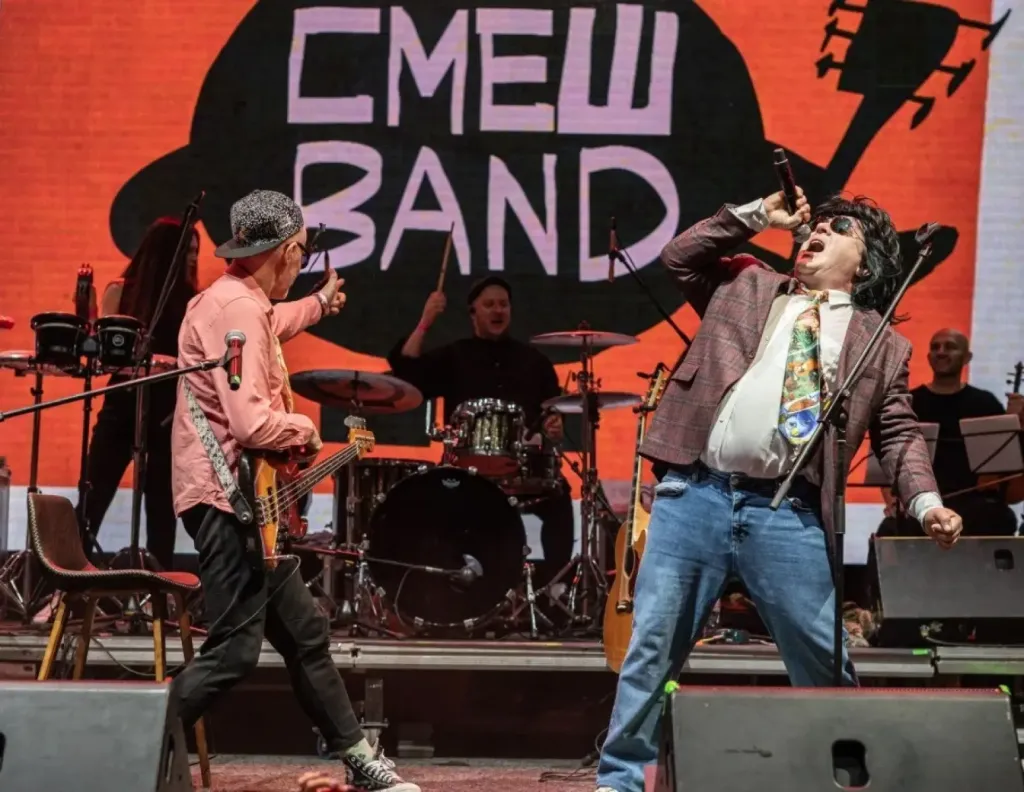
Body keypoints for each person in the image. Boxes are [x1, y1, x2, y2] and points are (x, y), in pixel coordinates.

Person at [594, 188, 963, 792]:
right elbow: (679, 256)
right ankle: (621, 780)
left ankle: (848, 776)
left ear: (865, 263)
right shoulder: (747, 285)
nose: (818, 230)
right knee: (653, 644)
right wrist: (757, 216)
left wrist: (928, 504)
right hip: (696, 494)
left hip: (785, 512)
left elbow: (898, 433)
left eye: (839, 228)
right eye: (817, 223)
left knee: (822, 652)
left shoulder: (879, 342)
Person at [169, 190, 417, 792]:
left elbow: (272, 321)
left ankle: (359, 760)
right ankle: (123, 738)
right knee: (234, 653)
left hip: (242, 504)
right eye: (301, 252)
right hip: (227, 503)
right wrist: (305, 428)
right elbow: (253, 425)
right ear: (282, 251)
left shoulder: (237, 300)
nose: (302, 262)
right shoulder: (237, 310)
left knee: (306, 636)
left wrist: (319, 304)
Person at [386, 276, 574, 587]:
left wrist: (554, 425)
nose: (498, 310)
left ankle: (553, 589)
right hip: (467, 473)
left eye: (503, 304)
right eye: (489, 305)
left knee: (559, 498)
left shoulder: (535, 362)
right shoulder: (454, 356)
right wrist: (425, 321)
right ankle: (451, 589)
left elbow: (551, 412)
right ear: (473, 313)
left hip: (522, 471)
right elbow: (406, 371)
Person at [77, 217, 199, 570]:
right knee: (93, 494)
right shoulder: (121, 291)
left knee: (161, 506)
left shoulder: (193, 301)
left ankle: (158, 584)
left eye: (195, 251)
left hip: (166, 411)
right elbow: (104, 355)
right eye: (188, 252)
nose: (194, 259)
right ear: (167, 255)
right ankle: (69, 577)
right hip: (122, 403)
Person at [877, 328, 1023, 537]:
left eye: (950, 347)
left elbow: (1008, 484)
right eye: (935, 347)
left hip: (975, 503)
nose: (941, 352)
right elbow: (887, 459)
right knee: (890, 529)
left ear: (967, 357)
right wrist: (893, 501)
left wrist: (1017, 423)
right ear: (928, 356)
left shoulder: (985, 403)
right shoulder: (909, 402)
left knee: (999, 518)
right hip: (921, 500)